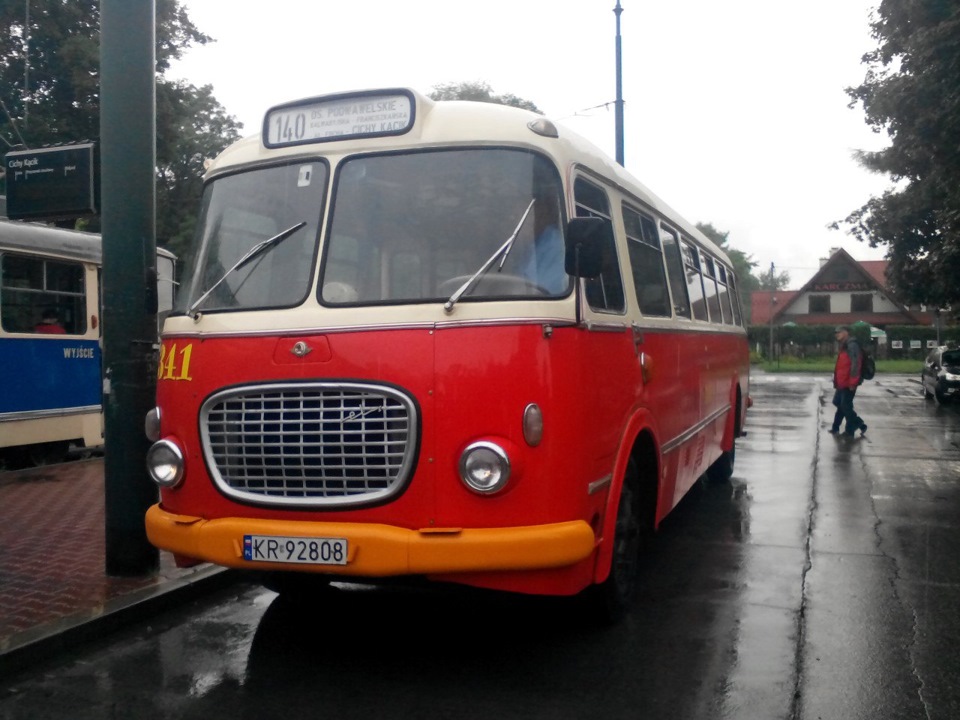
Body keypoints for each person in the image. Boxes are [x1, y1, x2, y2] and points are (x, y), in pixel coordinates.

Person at [830, 325, 867, 437]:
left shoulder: (852, 345)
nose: (837, 334)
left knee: (845, 405)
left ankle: (851, 429)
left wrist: (853, 382)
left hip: (849, 382)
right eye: (836, 332)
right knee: (838, 403)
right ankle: (853, 424)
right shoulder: (844, 345)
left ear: (846, 332)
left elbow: (856, 364)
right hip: (842, 381)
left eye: (839, 332)